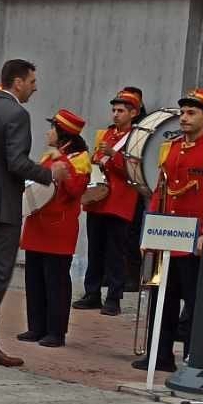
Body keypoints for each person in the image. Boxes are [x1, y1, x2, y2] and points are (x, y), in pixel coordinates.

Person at [0, 58, 53, 367]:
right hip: (3, 207)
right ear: (17, 82)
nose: (35, 86)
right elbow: (17, 162)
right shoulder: (17, 113)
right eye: (31, 81)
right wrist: (49, 173)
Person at [132, 89, 203, 375]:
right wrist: (149, 231)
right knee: (162, 298)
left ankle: (194, 359)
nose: (183, 118)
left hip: (193, 237)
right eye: (182, 113)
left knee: (195, 301)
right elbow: (160, 191)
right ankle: (159, 353)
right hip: (166, 234)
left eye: (191, 113)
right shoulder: (170, 148)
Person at [19, 109, 90, 349]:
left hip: (58, 228)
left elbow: (75, 191)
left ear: (63, 135)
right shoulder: (47, 156)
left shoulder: (79, 159)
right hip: (37, 226)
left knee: (56, 281)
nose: (48, 132)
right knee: (35, 279)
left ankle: (56, 331)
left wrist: (62, 164)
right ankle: (36, 326)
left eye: (52, 128)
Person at [76, 89, 142, 316]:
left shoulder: (137, 138)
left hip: (120, 202)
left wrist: (113, 154)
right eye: (114, 110)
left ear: (133, 112)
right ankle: (91, 292)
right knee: (95, 249)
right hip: (98, 200)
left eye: (121, 110)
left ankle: (114, 297)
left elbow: (136, 172)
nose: (115, 114)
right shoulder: (105, 134)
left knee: (116, 252)